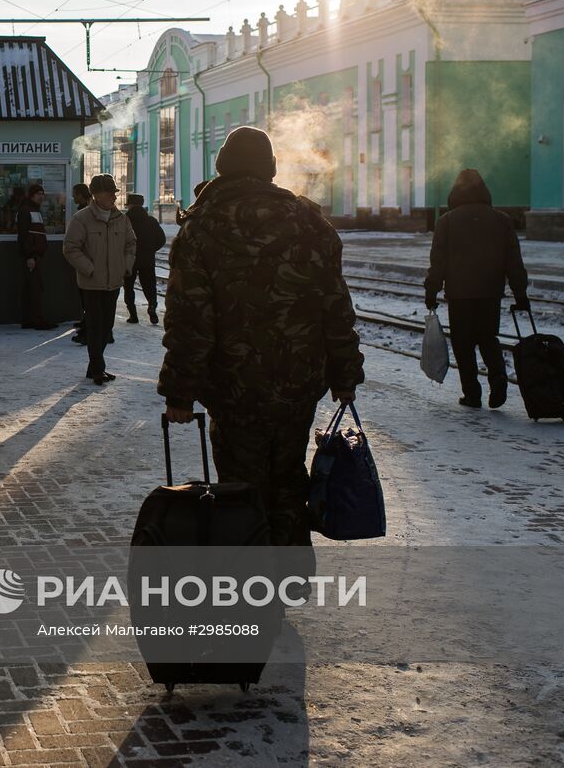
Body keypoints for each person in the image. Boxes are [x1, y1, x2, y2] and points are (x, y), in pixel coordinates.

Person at [159, 126, 363, 549]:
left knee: (240, 485)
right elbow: (336, 308)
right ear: (271, 168)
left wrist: (180, 391)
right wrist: (345, 375)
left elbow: (190, 318)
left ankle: (249, 584)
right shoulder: (310, 221)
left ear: (222, 168)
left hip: (234, 386)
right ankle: (289, 574)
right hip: (299, 382)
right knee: (288, 474)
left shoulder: (201, 227)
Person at [425, 168, 529, 409]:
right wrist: (520, 293)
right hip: (490, 293)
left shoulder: (447, 222)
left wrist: (432, 291)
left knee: (463, 343)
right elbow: (514, 261)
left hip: (460, 294)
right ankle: (499, 377)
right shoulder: (501, 220)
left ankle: (472, 394)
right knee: (488, 338)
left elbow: (437, 262)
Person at [63, 174, 136, 385]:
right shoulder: (81, 219)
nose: (114, 197)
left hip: (114, 282)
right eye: (111, 193)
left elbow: (131, 244)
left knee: (107, 327)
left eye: (115, 193)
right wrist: (90, 269)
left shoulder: (121, 218)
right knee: (95, 327)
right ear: (98, 195)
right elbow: (70, 248)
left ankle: (94, 366)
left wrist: (125, 266)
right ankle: (97, 369)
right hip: (92, 283)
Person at [16, 183, 55, 329]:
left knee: (30, 289)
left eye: (43, 194)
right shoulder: (26, 211)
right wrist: (29, 256)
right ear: (32, 195)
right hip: (32, 257)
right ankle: (37, 320)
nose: (41, 197)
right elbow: (24, 235)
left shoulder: (34, 210)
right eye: (39, 194)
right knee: (35, 289)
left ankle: (28, 320)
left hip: (34, 255)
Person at [123, 193, 166, 325]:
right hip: (147, 259)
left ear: (129, 204)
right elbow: (162, 239)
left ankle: (133, 315)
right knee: (149, 285)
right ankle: (152, 305)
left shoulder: (124, 220)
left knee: (128, 287)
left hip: (130, 259)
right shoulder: (151, 220)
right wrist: (151, 249)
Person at [70, 182, 93, 336]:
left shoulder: (87, 212)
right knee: (86, 298)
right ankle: (86, 324)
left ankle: (89, 330)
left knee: (89, 299)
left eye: (75, 194)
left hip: (89, 261)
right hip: (86, 260)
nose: (73, 197)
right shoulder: (84, 210)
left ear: (81, 194)